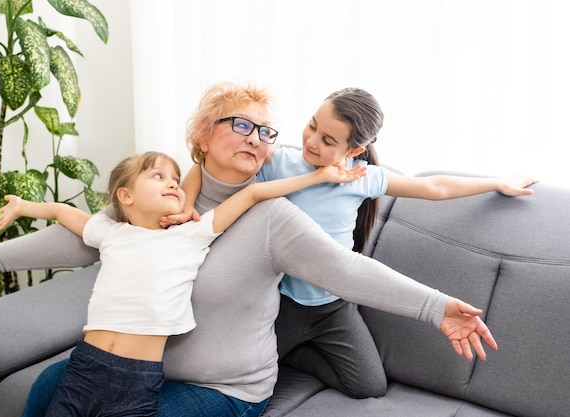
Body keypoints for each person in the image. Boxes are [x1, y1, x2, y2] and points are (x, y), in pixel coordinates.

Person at [0, 81, 498, 417]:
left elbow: (342, 267)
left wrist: (437, 307)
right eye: (242, 126)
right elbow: (86, 231)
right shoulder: (162, 198)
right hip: (134, 368)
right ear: (204, 135)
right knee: (45, 387)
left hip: (224, 388)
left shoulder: (273, 215)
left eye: (265, 131)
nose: (258, 138)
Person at [166, 87, 538, 399]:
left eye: (327, 140)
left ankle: (300, 354)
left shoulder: (364, 178)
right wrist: (184, 205)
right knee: (251, 369)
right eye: (312, 126)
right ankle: (289, 352)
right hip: (286, 305)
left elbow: (433, 187)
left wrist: (496, 182)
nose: (311, 141)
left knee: (369, 386)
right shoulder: (279, 163)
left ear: (355, 150)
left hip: (334, 306)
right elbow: (207, 165)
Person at [0, 150, 364, 416]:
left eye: (175, 179)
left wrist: (317, 176)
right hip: (85, 366)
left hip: (137, 381)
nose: (173, 184)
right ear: (126, 195)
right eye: (158, 176)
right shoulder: (109, 231)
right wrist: (23, 206)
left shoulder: (192, 235)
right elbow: (59, 211)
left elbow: (251, 194)